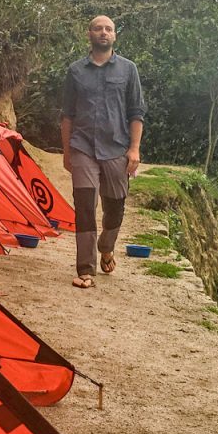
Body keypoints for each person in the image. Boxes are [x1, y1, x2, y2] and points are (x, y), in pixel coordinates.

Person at [61, 15, 146, 288]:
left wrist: (134, 149)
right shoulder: (75, 71)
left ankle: (106, 246)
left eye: (108, 29)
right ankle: (85, 269)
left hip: (117, 148)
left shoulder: (128, 70)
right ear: (89, 34)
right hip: (82, 147)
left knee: (115, 207)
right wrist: (66, 152)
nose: (103, 32)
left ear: (115, 36)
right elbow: (67, 115)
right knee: (84, 206)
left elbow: (136, 112)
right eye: (98, 28)